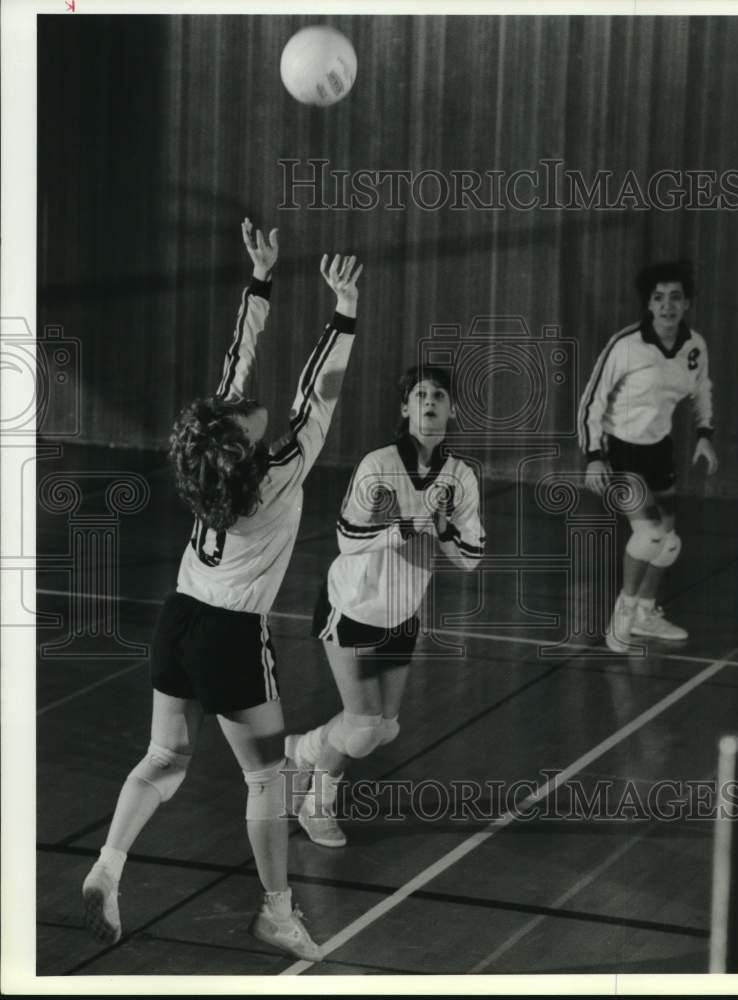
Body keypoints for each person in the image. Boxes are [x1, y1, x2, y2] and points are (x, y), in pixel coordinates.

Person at [81, 219, 363, 961]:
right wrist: (343, 311)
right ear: (242, 444)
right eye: (240, 412)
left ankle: (108, 865)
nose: (241, 401)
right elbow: (319, 394)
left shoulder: (214, 457)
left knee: (164, 758)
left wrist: (261, 279)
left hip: (177, 620)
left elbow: (236, 363)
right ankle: (276, 909)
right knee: (266, 778)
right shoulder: (275, 474)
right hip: (233, 637)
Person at [285, 365, 485, 847]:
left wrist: (443, 531)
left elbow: (471, 558)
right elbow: (347, 536)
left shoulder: (460, 476)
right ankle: (318, 807)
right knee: (360, 729)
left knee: (386, 728)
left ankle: (305, 748)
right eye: (420, 394)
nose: (430, 401)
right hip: (352, 607)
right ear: (405, 408)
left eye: (439, 395)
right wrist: (407, 527)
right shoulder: (378, 465)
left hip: (401, 614)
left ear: (453, 409)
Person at [578, 259, 718, 652]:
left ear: (687, 303)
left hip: (660, 449)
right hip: (620, 449)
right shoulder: (626, 346)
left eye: (676, 297)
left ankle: (644, 614)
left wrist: (705, 434)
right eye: (659, 298)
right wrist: (592, 455)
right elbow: (591, 401)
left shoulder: (694, 345)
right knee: (649, 534)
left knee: (669, 542)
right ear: (649, 304)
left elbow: (701, 389)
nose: (668, 305)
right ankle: (621, 613)